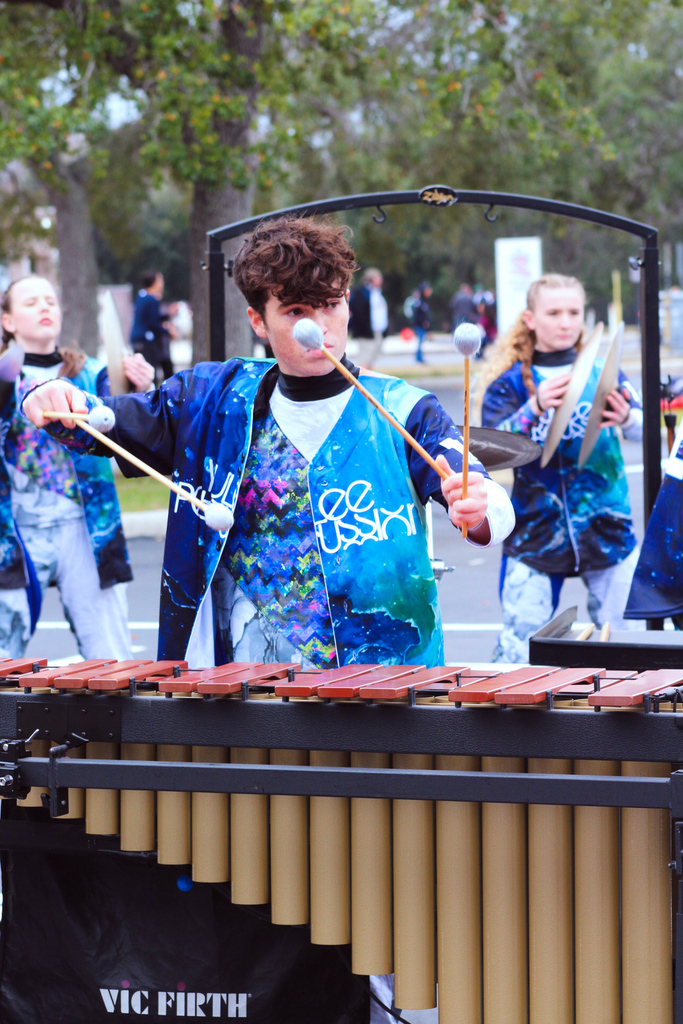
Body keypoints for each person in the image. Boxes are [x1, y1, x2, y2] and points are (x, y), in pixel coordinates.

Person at [23, 217, 515, 674]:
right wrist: (51, 400)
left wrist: (478, 509)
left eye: (332, 304)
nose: (319, 327)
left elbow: (483, 499)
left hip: (382, 680)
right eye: (297, 310)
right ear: (258, 321)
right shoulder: (211, 399)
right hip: (246, 678)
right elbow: (110, 422)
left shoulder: (404, 407)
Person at [479, 273, 643, 663]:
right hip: (536, 534)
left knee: (632, 648)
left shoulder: (606, 369)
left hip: (608, 531)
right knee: (520, 650)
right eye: (554, 312)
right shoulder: (509, 385)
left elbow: (641, 428)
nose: (566, 322)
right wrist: (533, 408)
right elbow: (488, 451)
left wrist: (627, 418)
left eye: (574, 311)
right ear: (531, 319)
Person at [0, 275, 155, 660]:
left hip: (88, 532)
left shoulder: (92, 372)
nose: (44, 307)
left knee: (112, 661)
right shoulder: (3, 376)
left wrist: (143, 388)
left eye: (50, 300)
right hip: (14, 535)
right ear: (7, 320)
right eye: (31, 301)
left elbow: (133, 427)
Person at [130, 271, 174, 382]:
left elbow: (149, 317)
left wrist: (167, 315)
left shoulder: (141, 295)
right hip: (146, 341)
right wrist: (168, 332)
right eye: (160, 280)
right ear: (154, 283)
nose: (162, 283)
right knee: (150, 372)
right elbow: (153, 323)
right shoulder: (152, 299)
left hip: (137, 339)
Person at [348, 267, 388, 368]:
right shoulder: (362, 293)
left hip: (377, 332)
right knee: (365, 360)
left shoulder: (377, 293)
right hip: (367, 333)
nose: (381, 280)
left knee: (371, 360)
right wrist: (366, 328)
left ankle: (368, 381)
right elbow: (359, 313)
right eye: (378, 278)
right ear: (371, 279)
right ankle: (361, 382)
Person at [412, 282, 432, 364]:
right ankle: (418, 358)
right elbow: (416, 315)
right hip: (419, 326)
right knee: (420, 342)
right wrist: (422, 322)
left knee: (421, 342)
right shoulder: (419, 302)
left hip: (422, 326)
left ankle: (419, 357)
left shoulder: (424, 302)